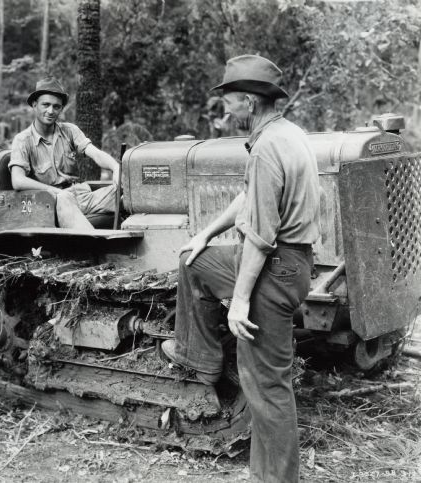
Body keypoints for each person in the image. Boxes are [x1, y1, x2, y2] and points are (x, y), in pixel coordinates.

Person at [161, 55, 320, 483]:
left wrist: (241, 301)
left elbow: (261, 237)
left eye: (229, 101)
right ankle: (200, 358)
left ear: (249, 101)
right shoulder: (286, 134)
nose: (225, 109)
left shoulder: (268, 148)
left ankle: (277, 479)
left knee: (267, 386)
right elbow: (248, 198)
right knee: (194, 261)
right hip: (287, 263)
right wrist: (206, 234)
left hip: (275, 267)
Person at [9, 77, 120, 230]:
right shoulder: (23, 140)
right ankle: (94, 248)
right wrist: (55, 192)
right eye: (45, 105)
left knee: (128, 191)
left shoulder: (69, 131)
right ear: (34, 105)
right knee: (64, 197)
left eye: (56, 107)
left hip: (82, 195)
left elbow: (95, 153)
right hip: (52, 202)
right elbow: (18, 180)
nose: (51, 111)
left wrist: (115, 167)